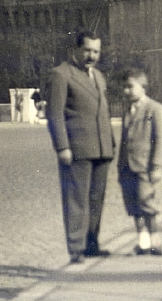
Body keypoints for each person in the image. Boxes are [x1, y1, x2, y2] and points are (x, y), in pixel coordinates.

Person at [47, 32, 115, 263]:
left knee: (97, 199)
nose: (91, 56)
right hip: (76, 148)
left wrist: (110, 144)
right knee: (76, 199)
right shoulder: (61, 74)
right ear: (76, 50)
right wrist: (62, 146)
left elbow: (102, 112)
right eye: (87, 50)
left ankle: (92, 244)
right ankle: (76, 248)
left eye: (96, 51)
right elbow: (55, 114)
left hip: (101, 148)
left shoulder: (99, 76)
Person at [118, 69, 162, 256]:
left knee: (147, 205)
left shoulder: (155, 109)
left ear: (143, 86)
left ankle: (155, 242)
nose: (126, 91)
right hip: (126, 167)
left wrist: (156, 166)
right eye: (124, 87)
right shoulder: (128, 110)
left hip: (145, 168)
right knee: (133, 207)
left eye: (130, 86)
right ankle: (143, 243)